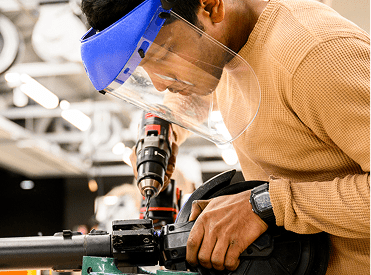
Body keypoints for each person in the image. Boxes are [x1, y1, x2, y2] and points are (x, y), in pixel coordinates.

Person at [79, 0, 371, 274]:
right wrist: (163, 129)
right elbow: (202, 94)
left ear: (210, 6)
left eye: (165, 53)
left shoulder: (315, 55)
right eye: (145, 67)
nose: (159, 83)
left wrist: (265, 205)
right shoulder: (228, 49)